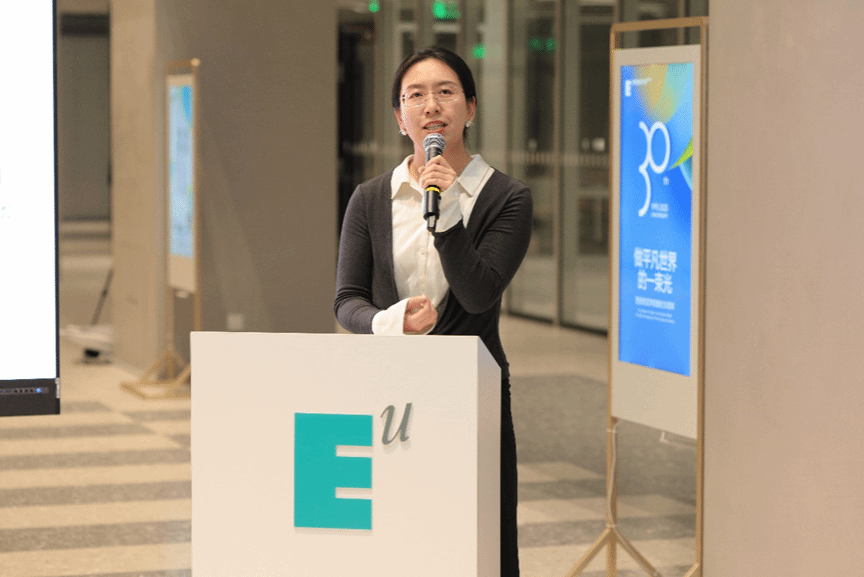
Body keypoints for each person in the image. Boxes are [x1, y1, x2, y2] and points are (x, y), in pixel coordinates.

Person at [334, 46, 532, 577]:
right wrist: (390, 322)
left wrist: (444, 212)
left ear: (471, 108)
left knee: (479, 539)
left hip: (471, 390)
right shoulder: (370, 199)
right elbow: (347, 301)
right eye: (414, 96)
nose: (431, 106)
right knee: (397, 533)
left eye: (446, 92)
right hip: (388, 391)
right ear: (400, 118)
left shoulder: (507, 198)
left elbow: (478, 294)